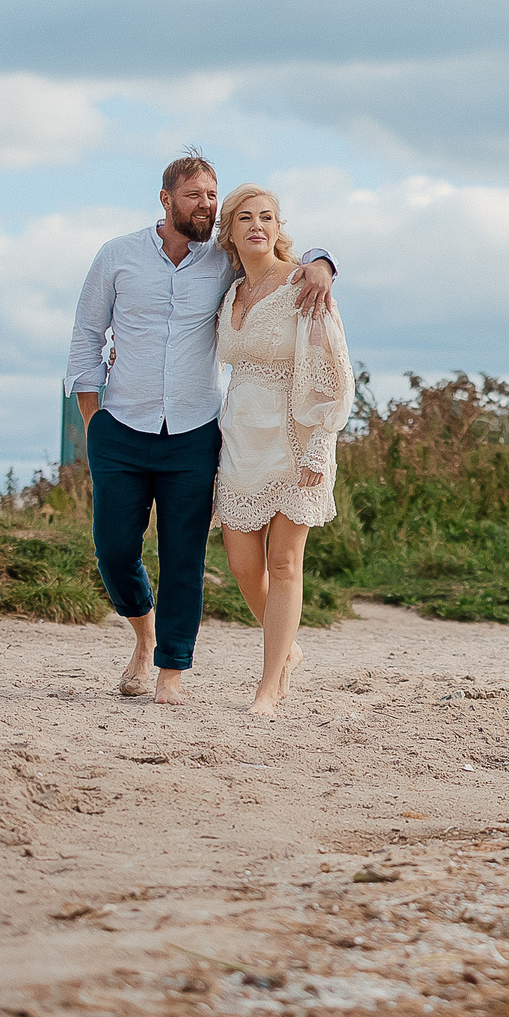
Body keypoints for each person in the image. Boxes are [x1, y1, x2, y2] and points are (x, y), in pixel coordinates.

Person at [66, 150, 338, 705]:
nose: (207, 206)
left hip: (194, 430)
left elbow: (275, 250)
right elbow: (86, 336)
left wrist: (322, 261)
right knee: (115, 551)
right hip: (120, 424)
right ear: (165, 200)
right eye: (194, 195)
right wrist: (93, 419)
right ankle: (144, 636)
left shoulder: (222, 263)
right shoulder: (116, 256)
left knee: (185, 554)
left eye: (213, 196)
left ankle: (171, 670)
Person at [210, 183, 350, 717]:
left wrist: (319, 447)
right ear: (230, 231)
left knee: (285, 561)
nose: (257, 226)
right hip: (242, 441)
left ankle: (268, 687)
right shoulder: (229, 292)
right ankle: (287, 652)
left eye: (267, 217)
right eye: (244, 218)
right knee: (244, 566)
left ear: (278, 226)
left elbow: (332, 374)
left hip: (296, 440)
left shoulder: (303, 286)